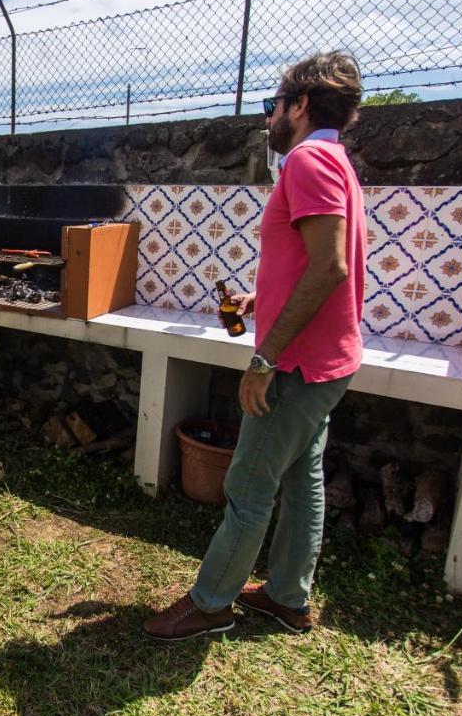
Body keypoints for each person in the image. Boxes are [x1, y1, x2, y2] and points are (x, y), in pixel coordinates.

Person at [144, 51, 366, 640]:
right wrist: (257, 299)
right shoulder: (335, 158)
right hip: (326, 359)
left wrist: (264, 359)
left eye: (273, 106)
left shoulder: (308, 159)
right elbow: (311, 265)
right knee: (302, 479)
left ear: (298, 106)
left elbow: (329, 270)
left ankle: (212, 603)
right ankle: (287, 598)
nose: (268, 118)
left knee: (248, 486)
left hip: (295, 363)